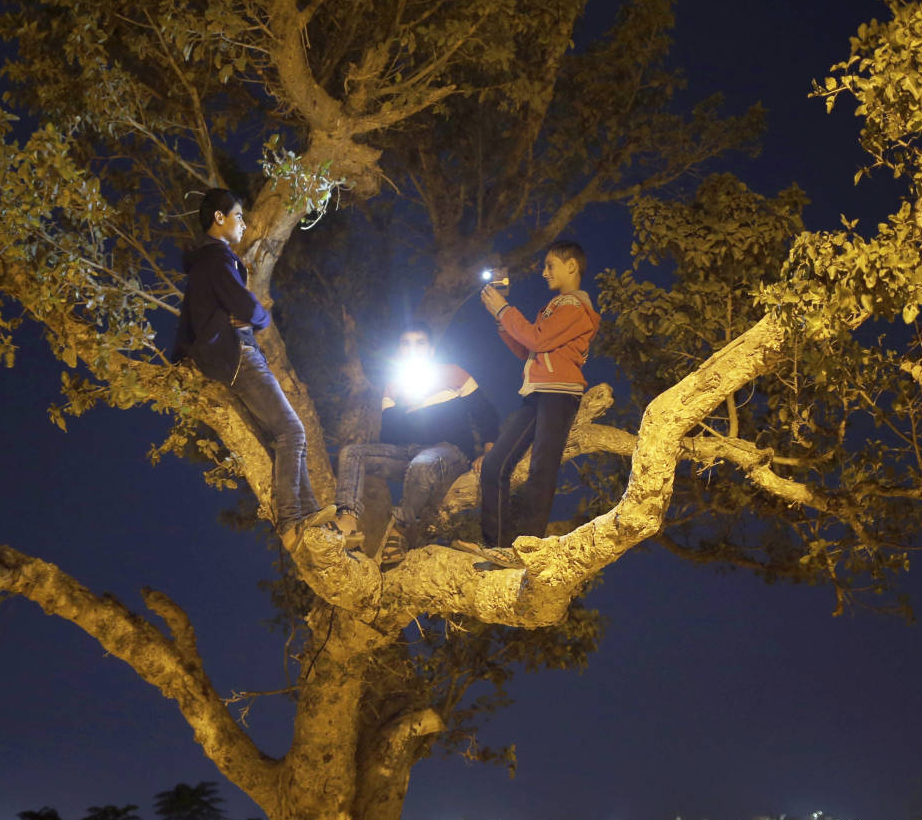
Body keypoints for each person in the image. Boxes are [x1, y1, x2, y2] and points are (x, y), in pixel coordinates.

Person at [170, 189, 334, 550]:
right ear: (219, 218)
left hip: (224, 355)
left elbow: (187, 322)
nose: (243, 223)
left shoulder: (201, 264)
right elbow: (242, 302)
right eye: (239, 216)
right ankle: (291, 520)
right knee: (293, 432)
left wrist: (180, 359)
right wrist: (260, 315)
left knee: (286, 434)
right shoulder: (217, 258)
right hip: (238, 351)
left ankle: (311, 520)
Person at [465, 240, 601, 561]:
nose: (544, 272)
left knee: (541, 469)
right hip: (536, 393)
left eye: (550, 265)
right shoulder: (554, 306)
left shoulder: (575, 306)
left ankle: (526, 549)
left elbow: (537, 338)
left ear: (572, 266)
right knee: (495, 465)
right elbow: (528, 348)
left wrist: (503, 309)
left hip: (560, 393)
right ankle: (497, 547)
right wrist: (502, 320)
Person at [334, 323, 499, 565]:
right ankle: (347, 521)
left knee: (423, 464)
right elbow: (391, 437)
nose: (413, 349)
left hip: (450, 452)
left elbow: (486, 413)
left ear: (431, 350)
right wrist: (406, 402)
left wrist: (489, 452)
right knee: (351, 453)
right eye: (406, 344)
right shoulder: (394, 386)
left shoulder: (453, 373)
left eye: (419, 343)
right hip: (409, 453)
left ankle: (400, 531)